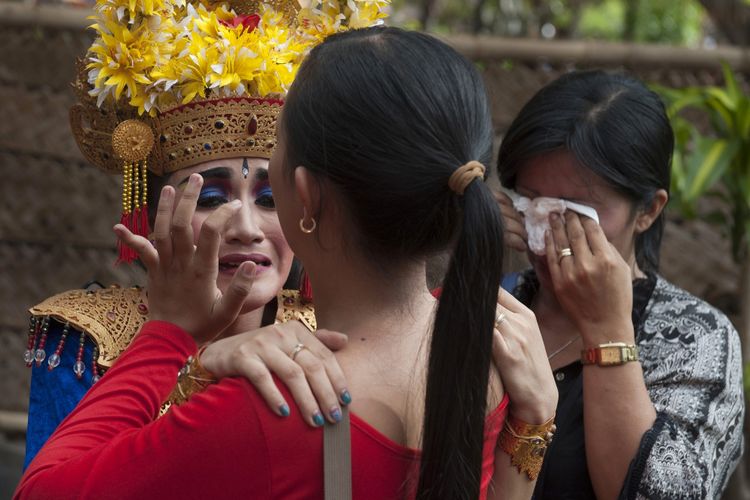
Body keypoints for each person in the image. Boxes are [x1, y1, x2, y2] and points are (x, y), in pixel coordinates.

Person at [16, 26, 558, 499]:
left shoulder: (280, 398)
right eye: (211, 197)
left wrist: (166, 335)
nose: (246, 225)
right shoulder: (487, 343)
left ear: (307, 197)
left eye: (269, 187)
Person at [21, 0, 386, 468]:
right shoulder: (85, 339)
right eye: (211, 199)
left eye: (271, 199)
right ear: (152, 213)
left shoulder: (340, 333)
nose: (245, 228)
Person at [496, 70, 744, 499]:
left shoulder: (697, 340)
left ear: (648, 210)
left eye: (575, 213)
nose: (549, 234)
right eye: (531, 202)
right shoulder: (501, 297)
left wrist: (606, 333)